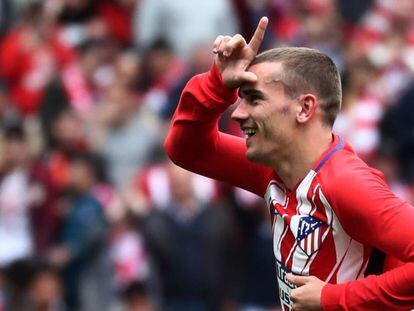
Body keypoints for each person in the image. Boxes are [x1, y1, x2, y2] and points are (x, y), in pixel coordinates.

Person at [164, 17, 414, 310]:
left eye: (254, 99)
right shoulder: (275, 168)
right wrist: (217, 83)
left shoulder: (346, 183)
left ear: (304, 108)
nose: (237, 114)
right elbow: (187, 150)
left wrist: (332, 298)